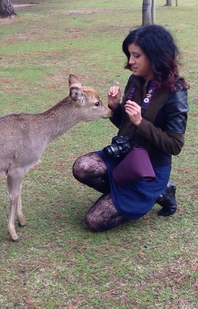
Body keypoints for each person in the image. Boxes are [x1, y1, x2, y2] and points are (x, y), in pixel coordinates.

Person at [72, 24, 189, 232]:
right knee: (82, 167)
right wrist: (116, 108)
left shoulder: (175, 92)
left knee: (94, 221)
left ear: (155, 56)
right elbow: (125, 126)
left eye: (136, 56)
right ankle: (129, 193)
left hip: (150, 168)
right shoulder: (134, 81)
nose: (130, 61)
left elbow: (175, 145)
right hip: (125, 157)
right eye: (129, 55)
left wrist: (140, 123)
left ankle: (159, 192)